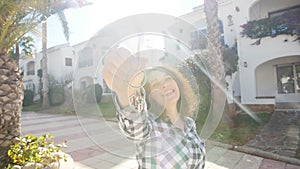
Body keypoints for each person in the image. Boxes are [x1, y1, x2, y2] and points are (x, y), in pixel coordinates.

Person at [102, 47, 205, 169]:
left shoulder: (190, 124)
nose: (165, 85)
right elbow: (135, 126)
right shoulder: (149, 125)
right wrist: (126, 90)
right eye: (156, 84)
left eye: (168, 78)